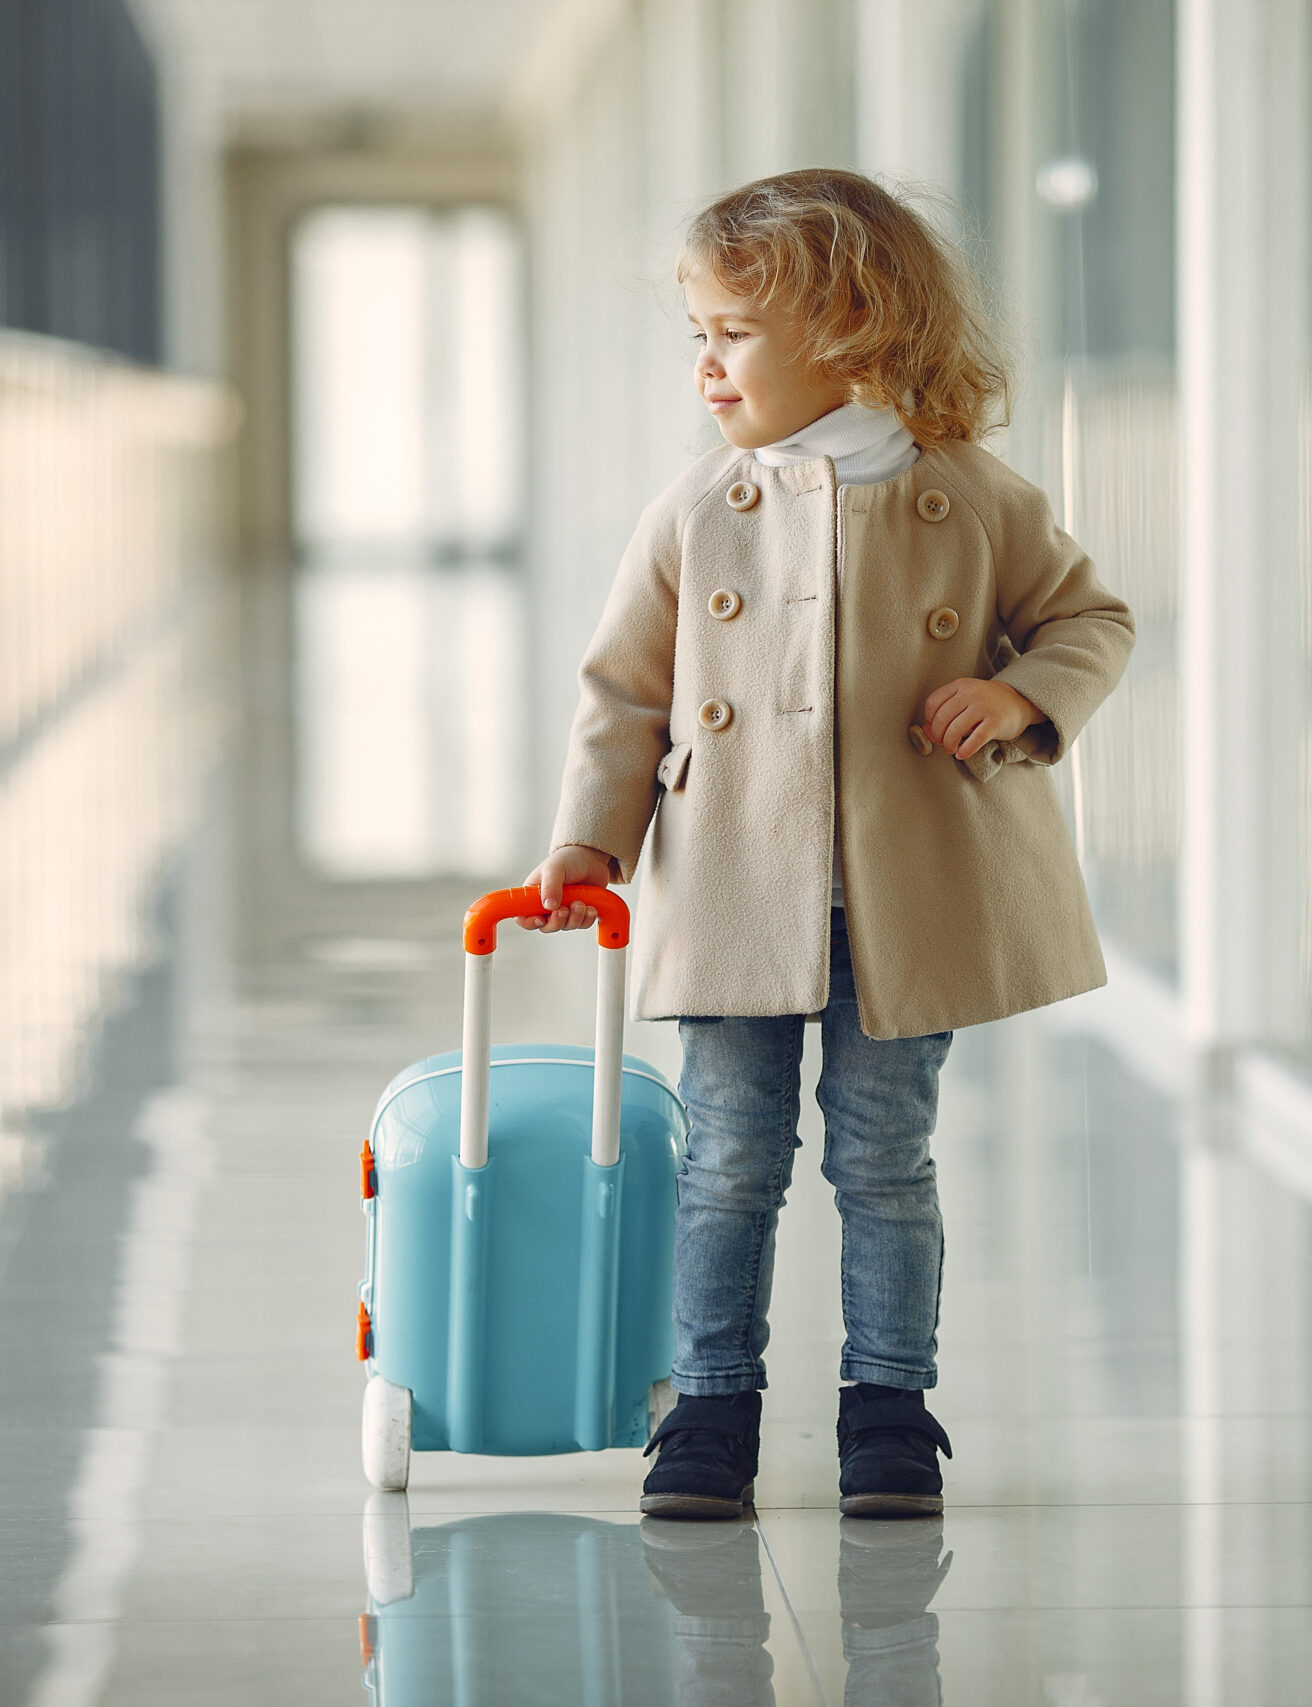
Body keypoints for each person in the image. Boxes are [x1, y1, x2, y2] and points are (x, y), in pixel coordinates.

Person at [524, 168, 1133, 1520]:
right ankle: (711, 1408)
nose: (706, 367)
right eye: (697, 333)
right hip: (741, 883)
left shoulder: (970, 497)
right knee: (728, 1158)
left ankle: (890, 1408)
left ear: (852, 322)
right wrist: (590, 844)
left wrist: (1018, 695)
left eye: (732, 332)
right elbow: (624, 692)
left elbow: (1090, 619)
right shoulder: (699, 509)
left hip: (908, 896)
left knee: (883, 1156)